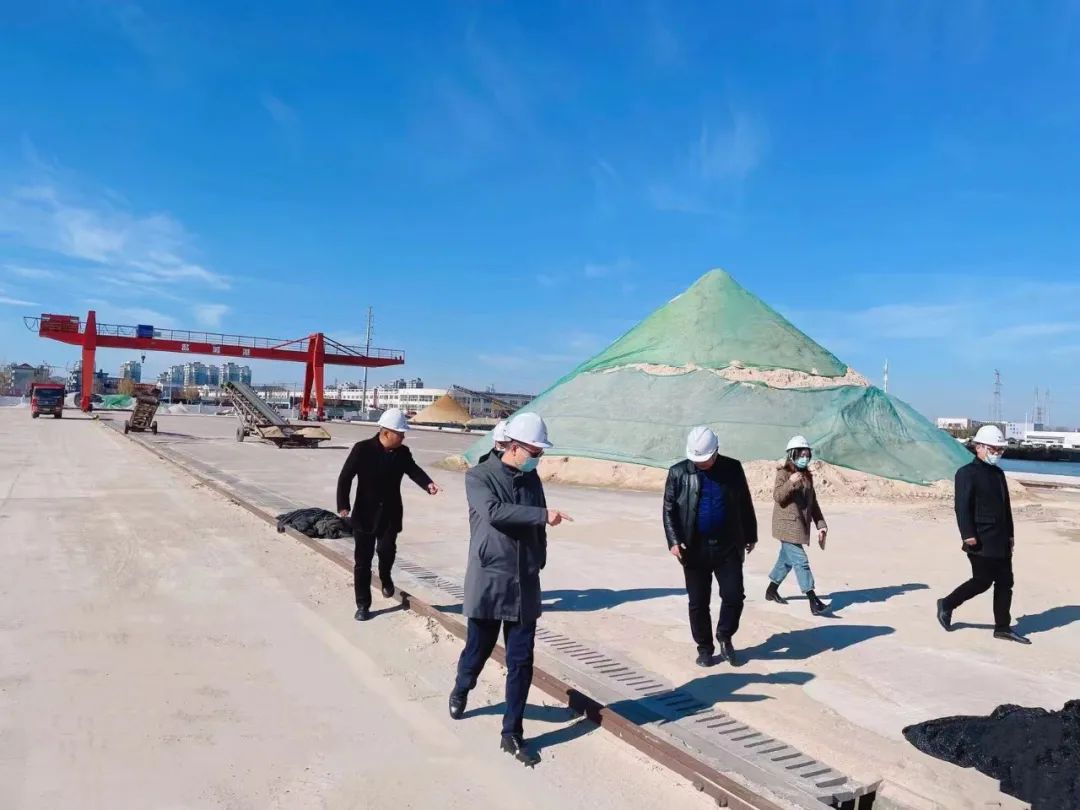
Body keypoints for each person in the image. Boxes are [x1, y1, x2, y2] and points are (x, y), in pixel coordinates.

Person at [449, 412, 572, 766]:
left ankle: (512, 731)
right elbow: (494, 512)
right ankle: (463, 685)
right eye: (535, 451)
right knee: (478, 649)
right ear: (514, 447)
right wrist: (541, 516)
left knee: (521, 661)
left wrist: (540, 555)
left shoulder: (532, 479)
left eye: (541, 452)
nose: (538, 458)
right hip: (490, 579)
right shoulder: (478, 477)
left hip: (524, 581)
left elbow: (539, 523)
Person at [663, 426, 758, 668]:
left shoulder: (732, 468)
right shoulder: (678, 473)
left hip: (728, 546)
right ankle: (704, 648)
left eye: (705, 459)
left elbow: (744, 502)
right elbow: (669, 509)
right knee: (698, 602)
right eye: (697, 460)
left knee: (734, 595)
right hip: (693, 548)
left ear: (716, 451)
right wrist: (673, 540)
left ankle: (724, 634)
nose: (701, 464)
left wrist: (750, 534)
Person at [337, 407, 440, 621]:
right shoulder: (362, 449)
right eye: (400, 433)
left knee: (386, 551)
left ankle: (386, 577)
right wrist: (343, 505)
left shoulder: (403, 453)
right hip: (365, 514)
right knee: (362, 562)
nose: (403, 437)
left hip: (390, 514)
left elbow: (413, 470)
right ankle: (363, 605)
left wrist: (427, 483)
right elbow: (345, 477)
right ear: (386, 432)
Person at [937, 425, 1029, 644]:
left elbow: (1005, 507)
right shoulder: (966, 473)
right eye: (993, 449)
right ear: (978, 447)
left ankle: (1003, 627)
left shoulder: (998, 473)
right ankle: (947, 604)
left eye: (1000, 449)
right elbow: (962, 506)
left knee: (1006, 582)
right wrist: (967, 534)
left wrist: (1011, 535)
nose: (997, 453)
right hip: (979, 537)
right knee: (982, 581)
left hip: (1001, 538)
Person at [766, 436, 830, 615]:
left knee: (786, 561)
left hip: (800, 525)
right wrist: (791, 482)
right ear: (792, 454)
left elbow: (813, 503)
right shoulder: (783, 473)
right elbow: (778, 496)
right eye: (801, 454)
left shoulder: (807, 476)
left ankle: (771, 590)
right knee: (801, 561)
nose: (805, 458)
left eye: (807, 454)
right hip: (786, 526)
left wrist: (821, 525)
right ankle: (813, 600)